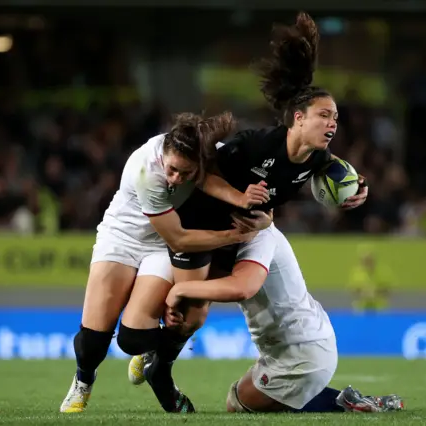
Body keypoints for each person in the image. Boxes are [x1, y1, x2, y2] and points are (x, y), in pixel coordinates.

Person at [124, 11, 369, 412]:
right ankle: (157, 366)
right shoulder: (257, 145)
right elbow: (204, 173)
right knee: (191, 313)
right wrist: (239, 199)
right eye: (325, 115)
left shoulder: (318, 159)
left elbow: (339, 175)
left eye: (336, 118)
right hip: (200, 227)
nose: (333, 123)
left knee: (198, 313)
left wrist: (357, 190)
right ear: (298, 118)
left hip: (244, 233)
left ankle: (157, 362)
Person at [60, 111, 271, 413]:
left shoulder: (205, 157)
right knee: (94, 339)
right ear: (165, 156)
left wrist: (245, 200)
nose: (176, 179)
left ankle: (147, 355)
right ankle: (83, 381)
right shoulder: (147, 170)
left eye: (186, 174)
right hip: (124, 238)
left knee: (133, 339)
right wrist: (234, 236)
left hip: (159, 248)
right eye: (172, 170)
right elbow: (181, 240)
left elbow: (210, 180)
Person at [163, 224, 405, 414]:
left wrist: (180, 291)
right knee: (240, 395)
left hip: (301, 349)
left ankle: (341, 402)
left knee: (239, 402)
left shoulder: (260, 237)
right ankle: (347, 399)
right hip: (298, 340)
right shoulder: (243, 237)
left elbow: (241, 287)